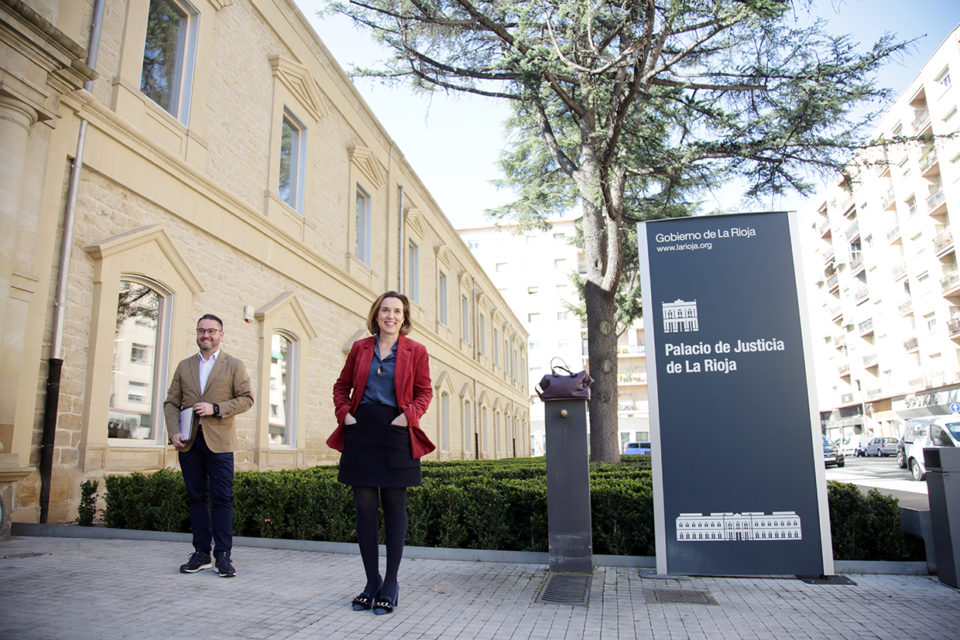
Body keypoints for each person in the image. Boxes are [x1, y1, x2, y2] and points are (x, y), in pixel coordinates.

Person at [328, 291, 434, 614]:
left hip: (396, 434)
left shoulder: (416, 351)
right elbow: (340, 386)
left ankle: (390, 583)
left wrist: (408, 417)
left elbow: (424, 392)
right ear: (376, 315)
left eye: (397, 311)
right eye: (385, 310)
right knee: (363, 509)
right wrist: (344, 413)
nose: (391, 315)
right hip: (361, 432)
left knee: (394, 508)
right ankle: (370, 582)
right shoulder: (360, 348)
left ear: (404, 318)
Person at [164, 314, 253, 577]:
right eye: (202, 331)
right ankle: (201, 554)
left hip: (220, 442)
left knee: (223, 499)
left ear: (221, 335)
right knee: (196, 498)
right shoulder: (184, 366)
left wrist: (216, 408)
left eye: (211, 331)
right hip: (189, 441)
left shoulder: (233, 365)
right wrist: (173, 432)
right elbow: (171, 403)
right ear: (197, 334)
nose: (206, 335)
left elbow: (247, 399)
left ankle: (223, 555)